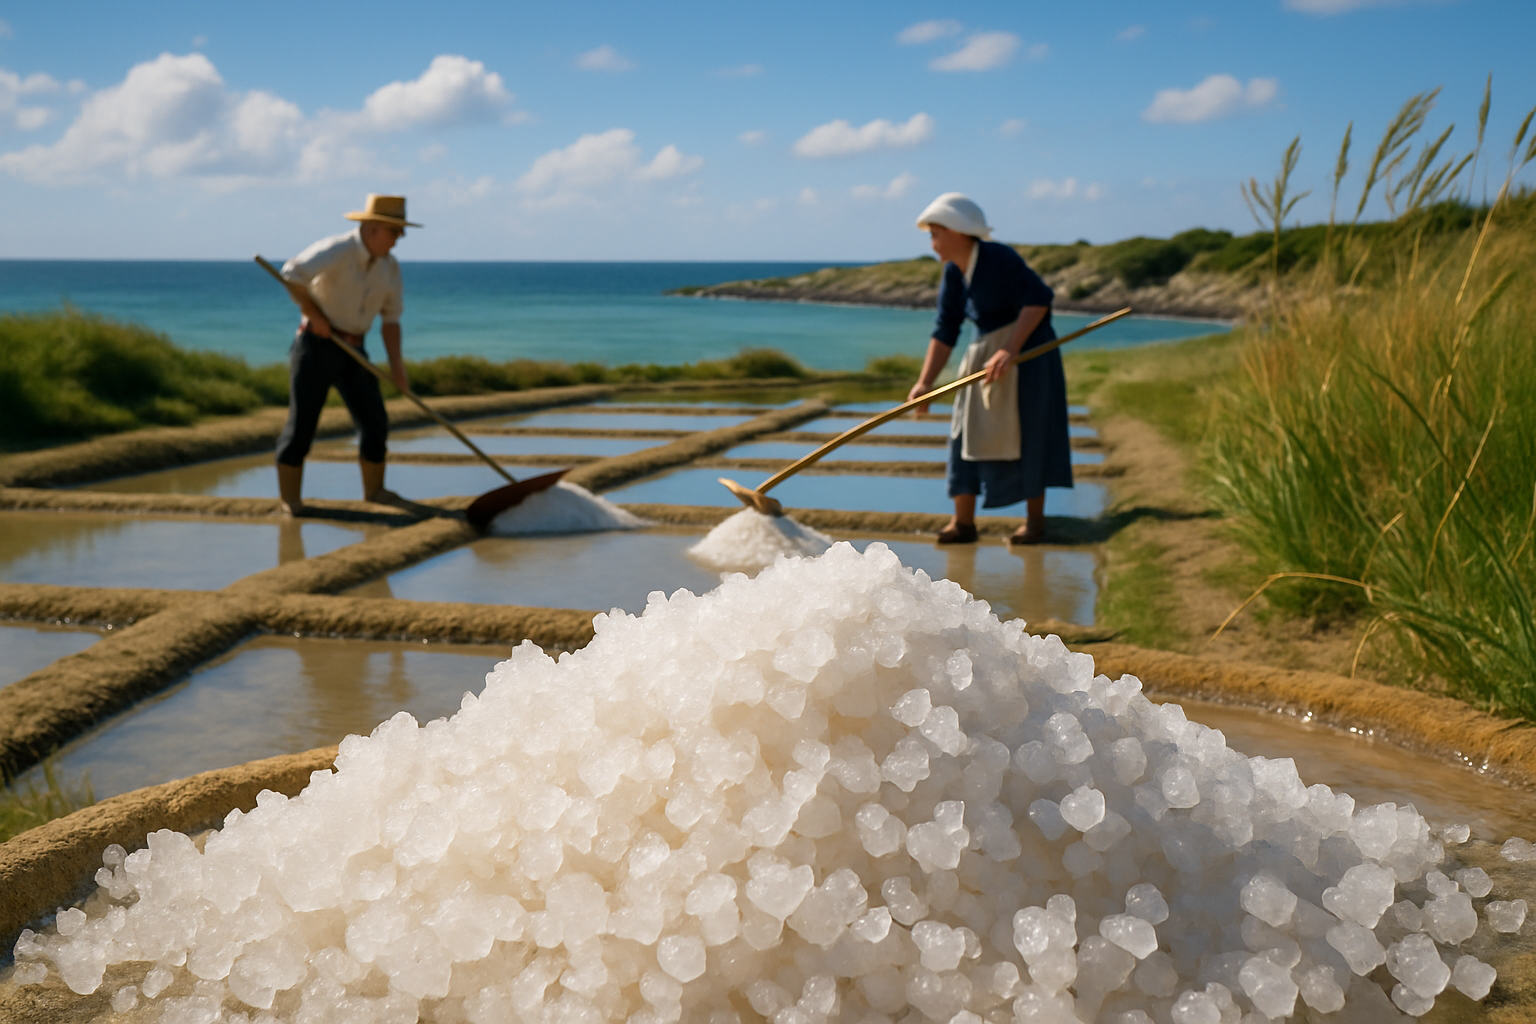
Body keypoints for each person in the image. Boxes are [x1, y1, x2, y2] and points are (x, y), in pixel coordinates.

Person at [907, 193, 1072, 545]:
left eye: (935, 233)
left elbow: (1038, 299)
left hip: (1027, 354)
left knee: (1030, 431)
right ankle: (963, 522)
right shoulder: (954, 272)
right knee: (962, 431)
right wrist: (925, 383)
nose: (932, 243)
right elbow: (946, 329)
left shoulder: (998, 257)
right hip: (985, 356)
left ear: (957, 230)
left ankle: (1034, 522)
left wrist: (1010, 349)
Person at [274, 194, 419, 517]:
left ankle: (375, 492)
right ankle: (290, 501)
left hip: (354, 348)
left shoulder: (390, 268)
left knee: (375, 421)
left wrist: (397, 368)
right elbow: (292, 274)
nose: (400, 238)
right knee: (302, 425)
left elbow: (391, 320)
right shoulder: (337, 249)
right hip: (316, 344)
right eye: (395, 231)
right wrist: (315, 314)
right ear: (373, 228)